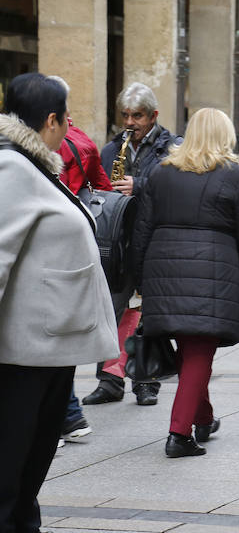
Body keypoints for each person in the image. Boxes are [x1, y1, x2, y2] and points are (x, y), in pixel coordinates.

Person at [0, 73, 118, 533]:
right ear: (51, 120)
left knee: (37, 443)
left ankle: (24, 525)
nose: (68, 127)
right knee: (14, 447)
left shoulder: (32, 163)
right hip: (26, 345)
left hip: (49, 340)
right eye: (65, 118)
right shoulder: (10, 167)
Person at [130, 108, 239, 457]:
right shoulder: (235, 176)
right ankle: (179, 433)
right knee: (200, 349)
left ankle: (203, 418)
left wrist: (140, 277)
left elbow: (141, 228)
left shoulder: (160, 173)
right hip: (213, 270)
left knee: (191, 349)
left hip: (163, 267)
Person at [84, 82, 181, 407]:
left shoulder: (172, 148)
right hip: (119, 240)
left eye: (137, 116)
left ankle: (146, 379)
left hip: (154, 240)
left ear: (153, 115)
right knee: (111, 309)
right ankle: (110, 379)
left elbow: (175, 186)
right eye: (125, 115)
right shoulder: (113, 149)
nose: (130, 122)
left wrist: (138, 185)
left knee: (148, 313)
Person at [49, 76, 112, 447]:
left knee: (51, 338)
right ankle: (70, 416)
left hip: (53, 248)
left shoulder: (37, 150)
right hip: (81, 244)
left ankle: (64, 416)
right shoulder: (86, 142)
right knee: (61, 333)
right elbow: (103, 188)